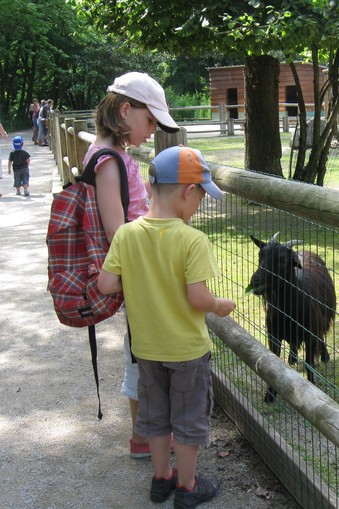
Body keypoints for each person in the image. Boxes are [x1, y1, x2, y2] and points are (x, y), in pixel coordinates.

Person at [98, 145, 236, 507]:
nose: (199, 207)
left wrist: (141, 278)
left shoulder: (126, 235)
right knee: (189, 419)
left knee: (155, 415)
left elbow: (106, 285)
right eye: (201, 198)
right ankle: (188, 487)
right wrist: (220, 306)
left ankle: (161, 480)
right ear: (188, 192)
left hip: (146, 349)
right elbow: (198, 298)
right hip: (187, 351)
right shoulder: (192, 240)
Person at [82, 71, 180, 459]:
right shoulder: (108, 161)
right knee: (143, 355)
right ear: (125, 111)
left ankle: (146, 433)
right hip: (138, 277)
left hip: (140, 273)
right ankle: (144, 437)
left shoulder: (110, 153)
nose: (152, 131)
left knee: (142, 351)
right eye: (150, 121)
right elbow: (117, 234)